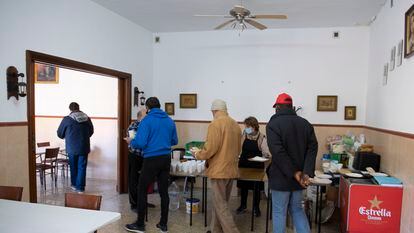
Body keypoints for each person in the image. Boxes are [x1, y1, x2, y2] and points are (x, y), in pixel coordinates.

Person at [266, 93, 318, 233]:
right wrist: (306, 172)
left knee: (279, 212)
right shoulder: (305, 124)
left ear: (277, 107)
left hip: (281, 177)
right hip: (299, 180)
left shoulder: (273, 124)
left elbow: (278, 152)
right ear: (292, 107)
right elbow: (312, 148)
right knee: (297, 210)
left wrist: (294, 172)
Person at [125, 97, 178, 233]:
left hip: (151, 159)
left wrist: (131, 141)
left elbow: (141, 143)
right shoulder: (169, 120)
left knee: (142, 189)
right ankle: (163, 224)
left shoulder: (146, 121)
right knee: (163, 191)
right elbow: (174, 140)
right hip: (166, 158)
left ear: (148, 108)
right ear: (159, 107)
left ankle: (140, 224)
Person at [193, 99, 241, 233]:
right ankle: (215, 229)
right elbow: (238, 148)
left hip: (219, 170)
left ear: (214, 111)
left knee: (220, 205)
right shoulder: (235, 124)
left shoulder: (215, 124)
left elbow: (210, 149)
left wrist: (198, 154)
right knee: (221, 202)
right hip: (231, 169)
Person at [236, 116, 271, 217]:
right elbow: (240, 148)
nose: (246, 128)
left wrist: (267, 155)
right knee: (243, 186)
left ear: (254, 126)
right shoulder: (244, 134)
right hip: (243, 164)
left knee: (256, 188)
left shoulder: (262, 137)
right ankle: (243, 205)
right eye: (245, 126)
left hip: (256, 166)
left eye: (247, 126)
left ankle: (256, 208)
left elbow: (266, 152)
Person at [57, 102, 94, 193]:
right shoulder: (86, 118)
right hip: (84, 146)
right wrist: (84, 137)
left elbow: (60, 133)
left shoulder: (67, 119)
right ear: (79, 108)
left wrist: (66, 136)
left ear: (70, 109)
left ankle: (74, 184)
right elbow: (91, 131)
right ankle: (80, 188)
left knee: (73, 166)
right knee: (82, 167)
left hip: (72, 147)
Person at [127, 109, 156, 212]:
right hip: (135, 156)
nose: (148, 117)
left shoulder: (147, 125)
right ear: (139, 117)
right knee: (134, 181)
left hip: (146, 156)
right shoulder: (134, 126)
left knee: (144, 181)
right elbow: (136, 143)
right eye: (145, 115)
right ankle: (134, 204)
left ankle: (143, 202)